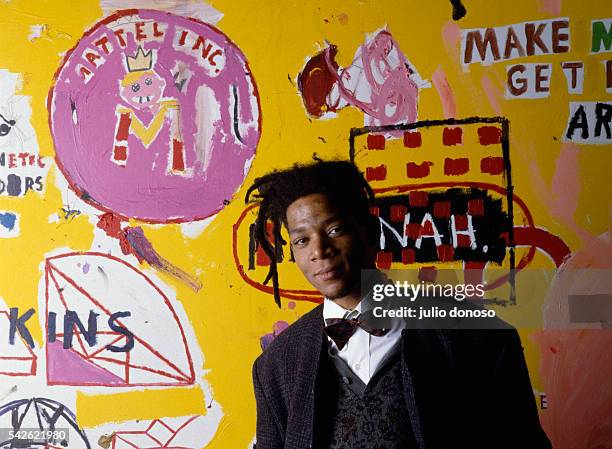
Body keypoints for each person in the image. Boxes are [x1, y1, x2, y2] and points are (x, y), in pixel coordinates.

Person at [247, 160, 552, 449]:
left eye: (335, 229)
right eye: (302, 240)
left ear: (370, 232)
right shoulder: (276, 367)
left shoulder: (475, 335)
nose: (319, 250)